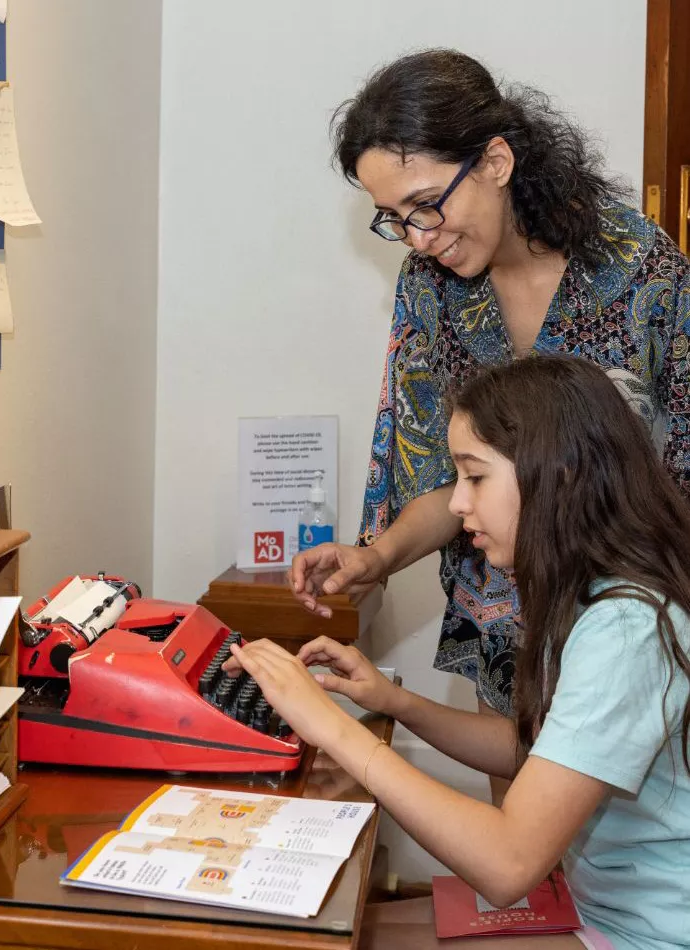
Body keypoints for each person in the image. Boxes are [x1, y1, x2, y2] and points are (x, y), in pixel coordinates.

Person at [290, 49, 690, 735]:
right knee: (518, 827)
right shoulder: (430, 287)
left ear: (497, 162)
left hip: (629, 631)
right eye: (394, 217)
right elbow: (438, 476)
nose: (418, 236)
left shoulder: (641, 269)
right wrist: (377, 556)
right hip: (504, 627)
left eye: (426, 204)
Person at [228, 356, 690, 950]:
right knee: (357, 931)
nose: (456, 505)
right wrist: (396, 702)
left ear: (561, 474)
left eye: (475, 477)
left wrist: (334, 731)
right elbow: (538, 753)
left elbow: (507, 863)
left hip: (645, 934)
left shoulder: (628, 629)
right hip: (604, 906)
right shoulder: (593, 593)